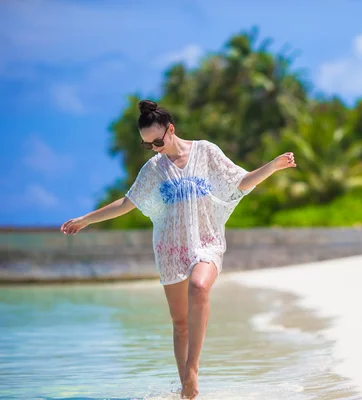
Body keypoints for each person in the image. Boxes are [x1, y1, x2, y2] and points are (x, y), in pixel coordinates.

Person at [60, 100, 296, 399]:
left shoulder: (206, 152)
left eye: (158, 141)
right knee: (180, 323)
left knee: (199, 287)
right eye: (148, 145)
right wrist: (86, 220)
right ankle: (187, 388)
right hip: (170, 250)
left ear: (171, 130)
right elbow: (127, 203)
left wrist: (273, 166)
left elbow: (239, 183)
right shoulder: (154, 169)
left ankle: (192, 371)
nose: (156, 148)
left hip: (206, 242)